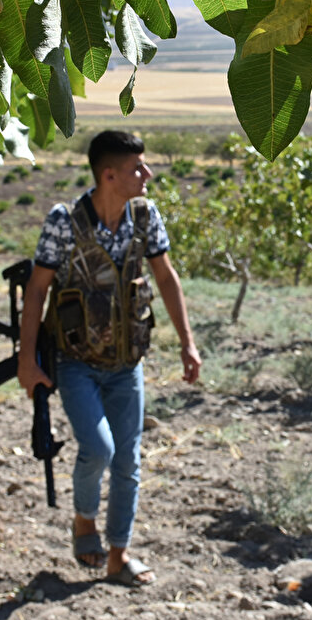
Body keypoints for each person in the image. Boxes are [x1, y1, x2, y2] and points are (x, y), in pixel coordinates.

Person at [16, 130, 201, 587]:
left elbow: (166, 277)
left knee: (128, 463)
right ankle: (84, 521)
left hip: (127, 365)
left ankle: (118, 556)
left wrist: (187, 342)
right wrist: (27, 360)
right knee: (98, 449)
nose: (148, 174)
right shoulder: (65, 221)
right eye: (138, 168)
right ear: (109, 174)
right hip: (76, 363)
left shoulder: (145, 216)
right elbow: (38, 289)